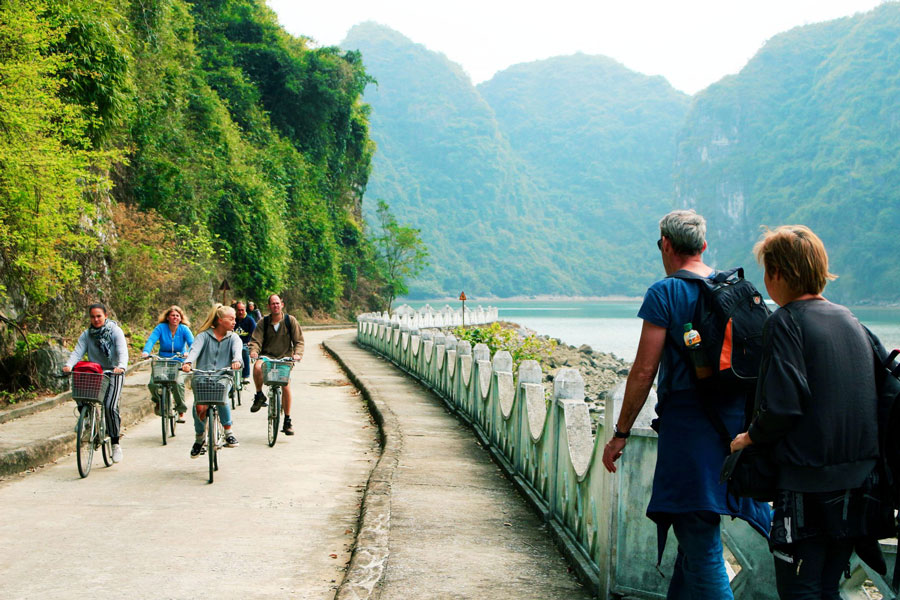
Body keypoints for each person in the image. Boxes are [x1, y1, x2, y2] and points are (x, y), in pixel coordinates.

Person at [601, 209, 771, 599]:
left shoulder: (665, 293)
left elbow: (644, 371)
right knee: (692, 534)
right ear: (704, 246)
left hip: (690, 432)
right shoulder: (733, 289)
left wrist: (621, 433)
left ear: (665, 244)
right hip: (735, 429)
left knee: (699, 535)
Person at [730, 225, 889, 599]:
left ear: (778, 273)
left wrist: (747, 438)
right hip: (858, 484)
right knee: (828, 586)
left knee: (799, 589)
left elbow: (783, 407)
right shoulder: (852, 321)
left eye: (767, 271)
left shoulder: (786, 321)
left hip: (807, 485)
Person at [63, 303, 128, 463]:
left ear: (106, 315)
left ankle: (115, 443)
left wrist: (121, 366)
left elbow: (122, 352)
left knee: (110, 406)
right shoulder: (87, 334)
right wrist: (69, 365)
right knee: (81, 391)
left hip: (114, 373)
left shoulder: (115, 331)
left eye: (99, 316)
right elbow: (78, 351)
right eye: (92, 316)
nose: (96, 319)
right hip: (96, 372)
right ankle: (87, 418)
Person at [182, 304, 243, 457]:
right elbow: (194, 350)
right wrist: (188, 362)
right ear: (220, 320)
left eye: (235, 319)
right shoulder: (203, 336)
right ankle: (199, 438)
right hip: (202, 376)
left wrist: (236, 361)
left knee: (222, 397)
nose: (234, 322)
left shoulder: (234, 338)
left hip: (223, 376)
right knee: (199, 407)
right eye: (231, 319)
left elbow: (238, 352)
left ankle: (228, 432)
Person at [248, 294, 304, 435]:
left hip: (285, 358)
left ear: (282, 305)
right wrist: (254, 351)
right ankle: (259, 394)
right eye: (272, 304)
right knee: (257, 367)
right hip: (267, 356)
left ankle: (287, 420)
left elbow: (299, 341)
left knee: (285, 384)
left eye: (277, 303)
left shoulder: (290, 321)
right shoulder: (263, 322)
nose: (275, 306)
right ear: (268, 306)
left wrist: (297, 354)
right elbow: (256, 340)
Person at [141, 305, 194, 423]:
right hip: (162, 361)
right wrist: (146, 352)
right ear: (168, 317)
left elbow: (192, 344)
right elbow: (151, 340)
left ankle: (180, 410)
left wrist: (188, 354)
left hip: (178, 361)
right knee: (153, 384)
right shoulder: (161, 327)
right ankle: (159, 401)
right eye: (172, 315)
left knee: (178, 384)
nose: (175, 318)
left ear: (181, 318)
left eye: (177, 316)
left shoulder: (184, 329)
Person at [233, 301, 256, 385]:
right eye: (238, 310)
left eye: (242, 310)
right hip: (232, 344)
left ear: (245, 310)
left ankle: (246, 375)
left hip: (245, 343)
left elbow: (255, 333)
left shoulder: (250, 320)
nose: (240, 312)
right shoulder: (232, 319)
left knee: (244, 351)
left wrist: (251, 342)